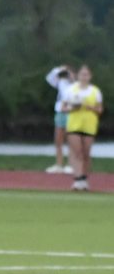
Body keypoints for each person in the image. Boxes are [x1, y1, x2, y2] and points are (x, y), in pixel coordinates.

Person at [64, 64, 103, 192]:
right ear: (78, 75)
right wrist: (73, 108)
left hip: (89, 125)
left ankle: (84, 179)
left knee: (86, 153)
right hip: (74, 124)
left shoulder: (95, 91)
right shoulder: (71, 90)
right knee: (77, 152)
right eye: (82, 74)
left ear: (90, 76)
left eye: (86, 74)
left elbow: (99, 109)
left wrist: (90, 107)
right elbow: (63, 108)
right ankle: (78, 179)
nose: (84, 77)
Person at [45, 65, 76, 174]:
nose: (68, 75)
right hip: (60, 113)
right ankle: (59, 164)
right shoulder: (61, 82)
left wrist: (71, 75)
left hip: (71, 114)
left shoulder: (76, 85)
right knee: (58, 140)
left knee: (70, 140)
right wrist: (60, 69)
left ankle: (70, 164)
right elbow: (49, 78)